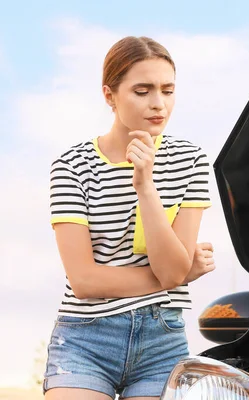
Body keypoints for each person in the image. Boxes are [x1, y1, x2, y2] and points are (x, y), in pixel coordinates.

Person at [43, 36, 216, 400]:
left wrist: (146, 186)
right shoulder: (72, 166)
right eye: (142, 90)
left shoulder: (192, 161)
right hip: (85, 339)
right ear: (110, 95)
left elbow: (170, 271)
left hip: (161, 342)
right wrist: (182, 274)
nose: (158, 104)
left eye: (167, 90)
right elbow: (85, 281)